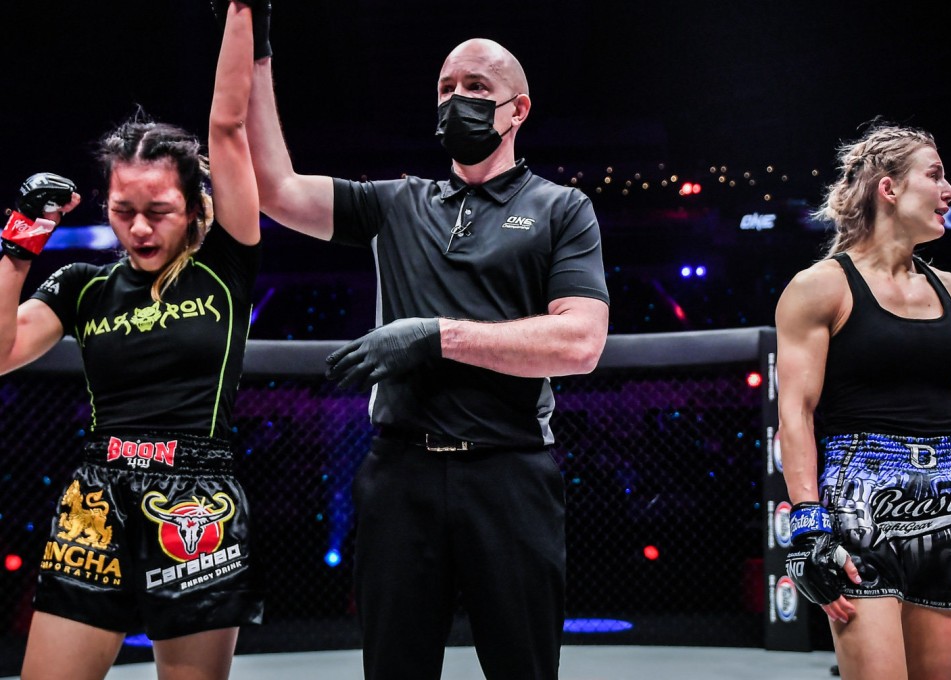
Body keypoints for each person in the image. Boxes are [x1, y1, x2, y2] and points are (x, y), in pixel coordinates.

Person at [240, 23, 610, 680]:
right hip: (400, 474)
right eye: (445, 88)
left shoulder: (562, 208)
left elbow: (580, 341)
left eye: (476, 87)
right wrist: (258, 51)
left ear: (517, 109)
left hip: (510, 473)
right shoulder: (396, 203)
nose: (456, 99)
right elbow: (276, 190)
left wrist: (436, 336)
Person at [6, 3, 265, 678]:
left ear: (192, 207)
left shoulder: (226, 266)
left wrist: (245, 12)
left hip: (196, 499)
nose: (141, 229)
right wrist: (15, 248)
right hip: (97, 495)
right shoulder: (83, 286)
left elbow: (230, 130)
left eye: (158, 212)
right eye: (124, 212)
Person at [775, 118, 951, 680]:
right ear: (888, 188)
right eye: (935, 176)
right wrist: (809, 526)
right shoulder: (821, 287)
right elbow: (796, 412)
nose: (950, 191)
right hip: (861, 507)